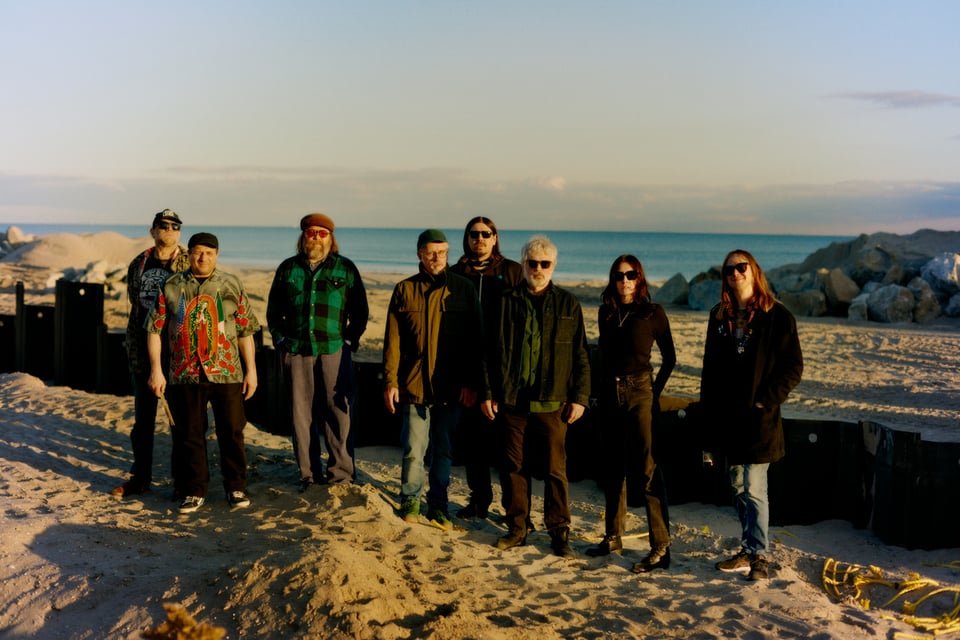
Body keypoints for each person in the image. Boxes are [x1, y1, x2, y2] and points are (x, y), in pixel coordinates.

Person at [482, 235, 590, 558]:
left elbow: (581, 354)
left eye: (545, 264)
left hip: (553, 401)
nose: (538, 269)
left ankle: (559, 532)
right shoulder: (505, 301)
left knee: (556, 469)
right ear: (524, 264)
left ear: (553, 267)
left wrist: (580, 397)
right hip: (513, 400)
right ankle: (517, 528)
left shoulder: (568, 303)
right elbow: (488, 352)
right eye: (532, 263)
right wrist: (488, 392)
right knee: (513, 466)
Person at [701, 249, 803, 581]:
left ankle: (759, 555)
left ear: (753, 270)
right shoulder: (719, 316)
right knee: (737, 487)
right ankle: (747, 549)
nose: (735, 273)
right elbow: (710, 372)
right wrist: (708, 425)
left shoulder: (777, 315)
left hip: (760, 420)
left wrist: (766, 400)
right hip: (727, 420)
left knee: (755, 487)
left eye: (741, 267)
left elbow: (793, 367)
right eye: (729, 269)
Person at [147, 232, 261, 514]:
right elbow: (154, 329)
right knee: (190, 433)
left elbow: (246, 331)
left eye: (209, 253)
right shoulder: (172, 285)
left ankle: (236, 487)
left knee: (232, 431)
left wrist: (252, 371)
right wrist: (156, 372)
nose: (203, 258)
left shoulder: (231, 284)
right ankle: (194, 490)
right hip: (185, 373)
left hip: (228, 372)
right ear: (190, 254)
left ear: (217, 255)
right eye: (198, 252)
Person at [383, 229, 482, 529]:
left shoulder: (463, 289)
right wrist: (390, 381)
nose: (437, 258)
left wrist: (471, 382)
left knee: (444, 449)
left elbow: (475, 341)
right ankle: (410, 500)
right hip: (413, 384)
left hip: (452, 386)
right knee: (414, 448)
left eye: (442, 252)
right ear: (419, 255)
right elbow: (393, 341)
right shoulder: (404, 289)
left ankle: (438, 505)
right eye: (430, 252)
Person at [586, 255, 676, 573]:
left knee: (647, 469)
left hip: (641, 393)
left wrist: (655, 392)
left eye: (631, 274)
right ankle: (613, 536)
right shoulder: (606, 313)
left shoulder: (653, 313)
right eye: (619, 275)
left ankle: (660, 547)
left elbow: (670, 358)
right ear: (613, 279)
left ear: (640, 279)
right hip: (610, 394)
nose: (624, 280)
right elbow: (604, 357)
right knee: (613, 467)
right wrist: (596, 394)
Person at [267, 213, 369, 491]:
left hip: (334, 348)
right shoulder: (287, 269)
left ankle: (341, 474)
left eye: (322, 234)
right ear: (303, 237)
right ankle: (309, 475)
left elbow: (360, 310)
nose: (316, 238)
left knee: (338, 413)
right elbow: (273, 312)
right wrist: (280, 341)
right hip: (297, 350)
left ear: (331, 239)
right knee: (302, 415)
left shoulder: (346, 268)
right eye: (311, 233)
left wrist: (349, 340)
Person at [112, 208, 191, 498]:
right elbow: (135, 304)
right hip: (141, 351)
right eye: (162, 225)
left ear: (179, 232)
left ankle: (181, 481)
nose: (168, 230)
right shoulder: (139, 263)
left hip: (177, 353)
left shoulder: (188, 261)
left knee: (178, 421)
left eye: (173, 226)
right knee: (142, 422)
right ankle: (140, 477)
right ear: (153, 230)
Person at [449, 216, 522, 519]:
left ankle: (513, 509)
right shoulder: (455, 273)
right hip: (467, 369)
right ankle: (479, 500)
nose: (479, 239)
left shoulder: (513, 272)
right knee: (473, 444)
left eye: (485, 234)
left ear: (495, 238)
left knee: (507, 447)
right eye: (473, 234)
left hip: (504, 370)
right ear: (466, 238)